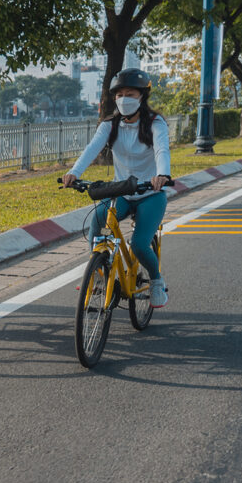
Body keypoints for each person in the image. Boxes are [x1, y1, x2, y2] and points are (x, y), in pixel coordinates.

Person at [62, 68, 172, 307]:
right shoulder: (109, 125)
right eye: (119, 94)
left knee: (140, 244)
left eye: (130, 93)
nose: (124, 98)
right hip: (123, 191)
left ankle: (155, 281)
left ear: (142, 96)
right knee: (97, 223)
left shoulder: (155, 122)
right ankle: (99, 275)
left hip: (150, 194)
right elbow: (91, 149)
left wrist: (162, 174)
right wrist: (74, 173)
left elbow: (162, 149)